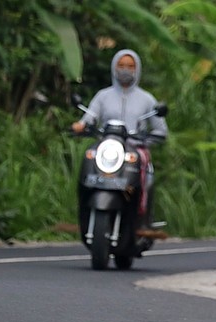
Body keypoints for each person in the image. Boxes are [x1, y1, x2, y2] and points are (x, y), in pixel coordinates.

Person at [72, 48, 168, 231]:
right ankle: (84, 209)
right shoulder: (103, 96)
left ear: (137, 69)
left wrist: (145, 140)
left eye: (130, 66)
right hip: (107, 149)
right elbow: (89, 118)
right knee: (89, 157)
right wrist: (80, 126)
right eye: (121, 65)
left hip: (134, 149)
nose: (125, 70)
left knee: (145, 172)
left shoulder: (146, 99)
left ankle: (142, 215)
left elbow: (160, 129)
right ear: (114, 67)